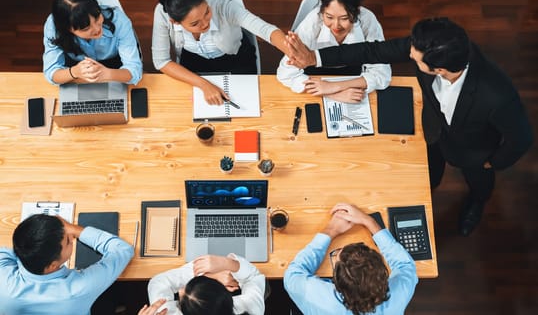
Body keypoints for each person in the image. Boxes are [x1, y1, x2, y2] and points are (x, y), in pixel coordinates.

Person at [285, 17, 533, 236]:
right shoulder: (427, 45)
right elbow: (374, 52)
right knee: (431, 175)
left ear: (439, 70)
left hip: (474, 152)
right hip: (435, 131)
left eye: (415, 58)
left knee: (479, 183)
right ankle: (430, 189)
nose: (409, 54)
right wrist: (315, 57)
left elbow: (521, 139)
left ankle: (476, 204)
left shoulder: (497, 95)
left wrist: (492, 161)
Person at [152, 0, 288, 105]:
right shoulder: (163, 14)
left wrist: (293, 52)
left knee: (245, 102)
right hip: (193, 61)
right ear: (175, 22)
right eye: (195, 23)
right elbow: (161, 61)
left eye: (207, 12)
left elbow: (266, 30)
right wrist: (203, 85)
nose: (206, 23)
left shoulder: (223, 6)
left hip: (235, 57)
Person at [284, 203, 418, 314]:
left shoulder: (319, 297)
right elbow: (405, 265)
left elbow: (292, 275)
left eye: (336, 257)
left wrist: (331, 230)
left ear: (336, 282)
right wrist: (369, 221)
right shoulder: (399, 293)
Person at [277, 0, 391, 103]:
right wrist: (332, 94)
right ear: (322, 9)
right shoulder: (313, 23)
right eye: (329, 17)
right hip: (315, 77)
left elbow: (382, 75)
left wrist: (334, 87)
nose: (336, 25)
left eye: (344, 18)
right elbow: (285, 73)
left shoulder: (368, 20)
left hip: (351, 76)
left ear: (357, 11)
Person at [0, 214, 134, 314]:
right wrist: (73, 229)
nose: (71, 238)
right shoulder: (78, 289)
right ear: (52, 265)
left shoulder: (3, 281)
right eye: (68, 242)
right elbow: (122, 249)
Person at [43, 0, 143, 85]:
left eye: (97, 17)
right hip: (76, 68)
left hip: (114, 65)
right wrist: (74, 72)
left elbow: (134, 70)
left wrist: (107, 74)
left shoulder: (119, 21)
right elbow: (51, 72)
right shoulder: (53, 27)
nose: (97, 29)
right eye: (86, 28)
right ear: (68, 30)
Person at [147, 253, 265, 315]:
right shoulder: (252, 308)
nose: (180, 290)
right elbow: (253, 277)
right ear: (224, 292)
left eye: (181, 299)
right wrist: (226, 263)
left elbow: (158, 282)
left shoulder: (165, 313)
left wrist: (205, 275)